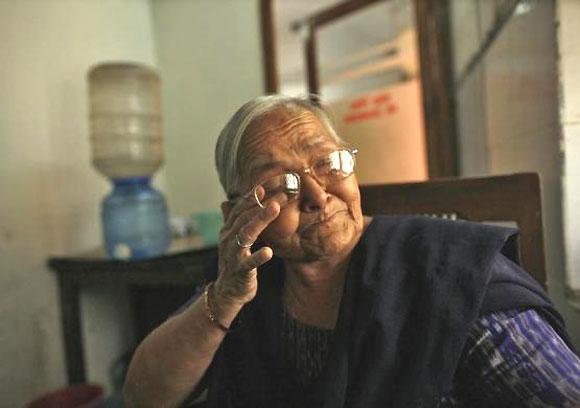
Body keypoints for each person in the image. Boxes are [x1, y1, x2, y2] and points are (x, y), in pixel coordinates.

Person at [123, 95, 580, 407]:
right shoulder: (245, 280)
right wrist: (222, 300)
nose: (319, 196)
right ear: (236, 213)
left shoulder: (450, 277)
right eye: (280, 183)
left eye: (328, 162)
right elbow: (144, 396)